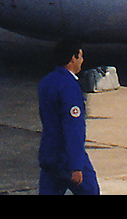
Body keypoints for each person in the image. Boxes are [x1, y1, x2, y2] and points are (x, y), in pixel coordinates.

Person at [37, 36, 99, 195]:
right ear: (73, 57)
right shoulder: (69, 87)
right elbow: (73, 128)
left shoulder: (46, 82)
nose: (82, 60)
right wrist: (76, 165)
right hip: (66, 156)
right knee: (90, 191)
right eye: (81, 56)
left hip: (49, 153)